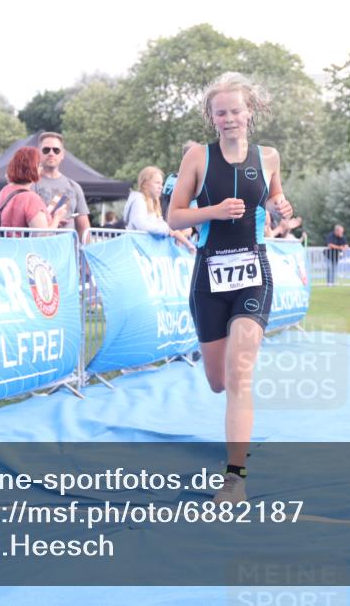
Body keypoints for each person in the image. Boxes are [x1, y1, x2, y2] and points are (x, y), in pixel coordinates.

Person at [167, 72, 292, 504]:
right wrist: (214, 211)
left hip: (254, 274)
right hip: (208, 278)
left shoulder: (269, 156)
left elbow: (278, 212)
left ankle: (235, 477)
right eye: (221, 112)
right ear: (212, 117)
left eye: (236, 110)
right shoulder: (197, 159)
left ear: (249, 112)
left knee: (240, 375)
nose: (230, 118)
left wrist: (281, 210)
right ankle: (234, 465)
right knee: (218, 380)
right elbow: (174, 217)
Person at [0, 146, 69, 235]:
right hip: (26, 248)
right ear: (32, 168)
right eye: (39, 165)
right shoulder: (31, 198)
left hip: (6, 247)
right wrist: (57, 218)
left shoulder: (5, 190)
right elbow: (44, 236)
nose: (41, 169)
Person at [34, 132, 91, 243]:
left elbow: (84, 227)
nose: (51, 153)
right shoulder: (31, 184)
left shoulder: (74, 187)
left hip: (67, 252)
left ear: (62, 154)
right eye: (46, 150)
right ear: (38, 153)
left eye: (56, 150)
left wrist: (86, 255)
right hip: (39, 250)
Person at [124, 166, 196, 252]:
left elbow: (165, 226)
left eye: (161, 184)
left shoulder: (153, 203)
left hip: (145, 250)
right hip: (136, 250)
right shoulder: (138, 200)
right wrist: (165, 230)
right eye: (157, 183)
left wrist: (185, 242)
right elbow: (141, 225)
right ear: (145, 184)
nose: (161, 187)